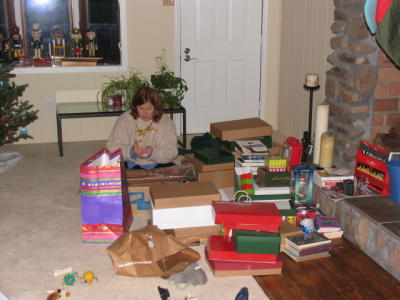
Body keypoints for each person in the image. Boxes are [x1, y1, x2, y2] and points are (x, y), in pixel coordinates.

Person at [106, 85, 178, 169]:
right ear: (135, 107)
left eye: (149, 109)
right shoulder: (125, 119)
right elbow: (112, 148)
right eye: (141, 108)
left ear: (156, 107)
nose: (145, 113)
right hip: (131, 164)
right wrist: (131, 151)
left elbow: (172, 152)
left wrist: (152, 153)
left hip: (158, 164)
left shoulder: (166, 122)